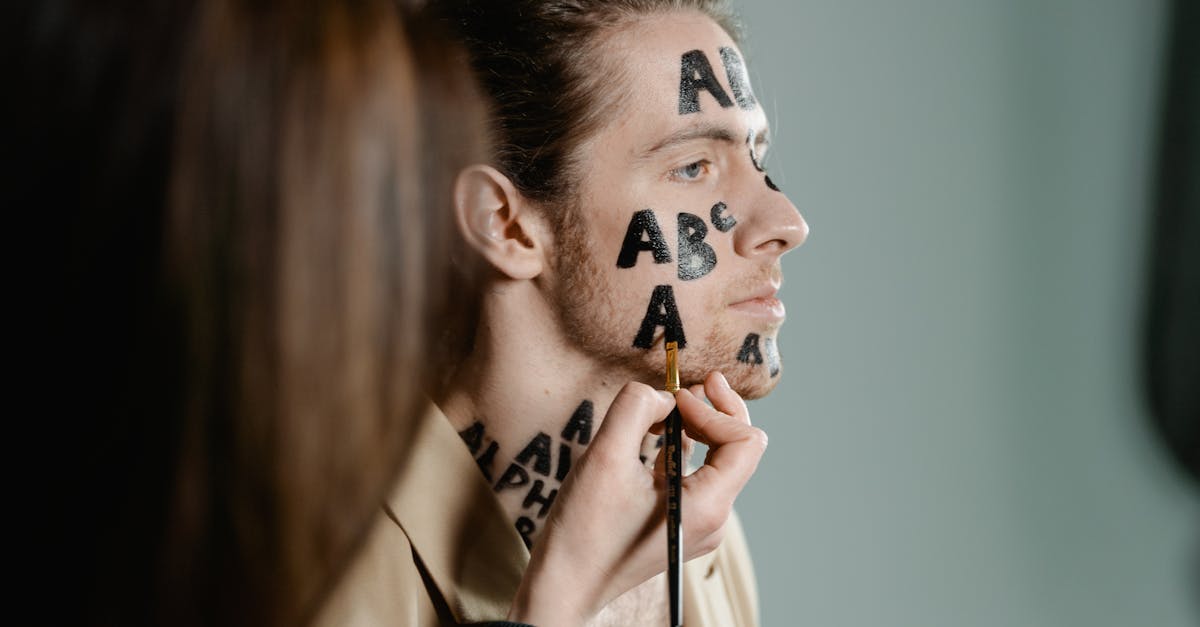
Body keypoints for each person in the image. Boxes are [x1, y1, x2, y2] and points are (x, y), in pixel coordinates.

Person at [318, 1, 809, 625]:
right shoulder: (322, 561)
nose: (786, 222)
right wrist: (562, 598)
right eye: (692, 166)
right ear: (506, 225)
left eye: (756, 155)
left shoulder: (697, 539)